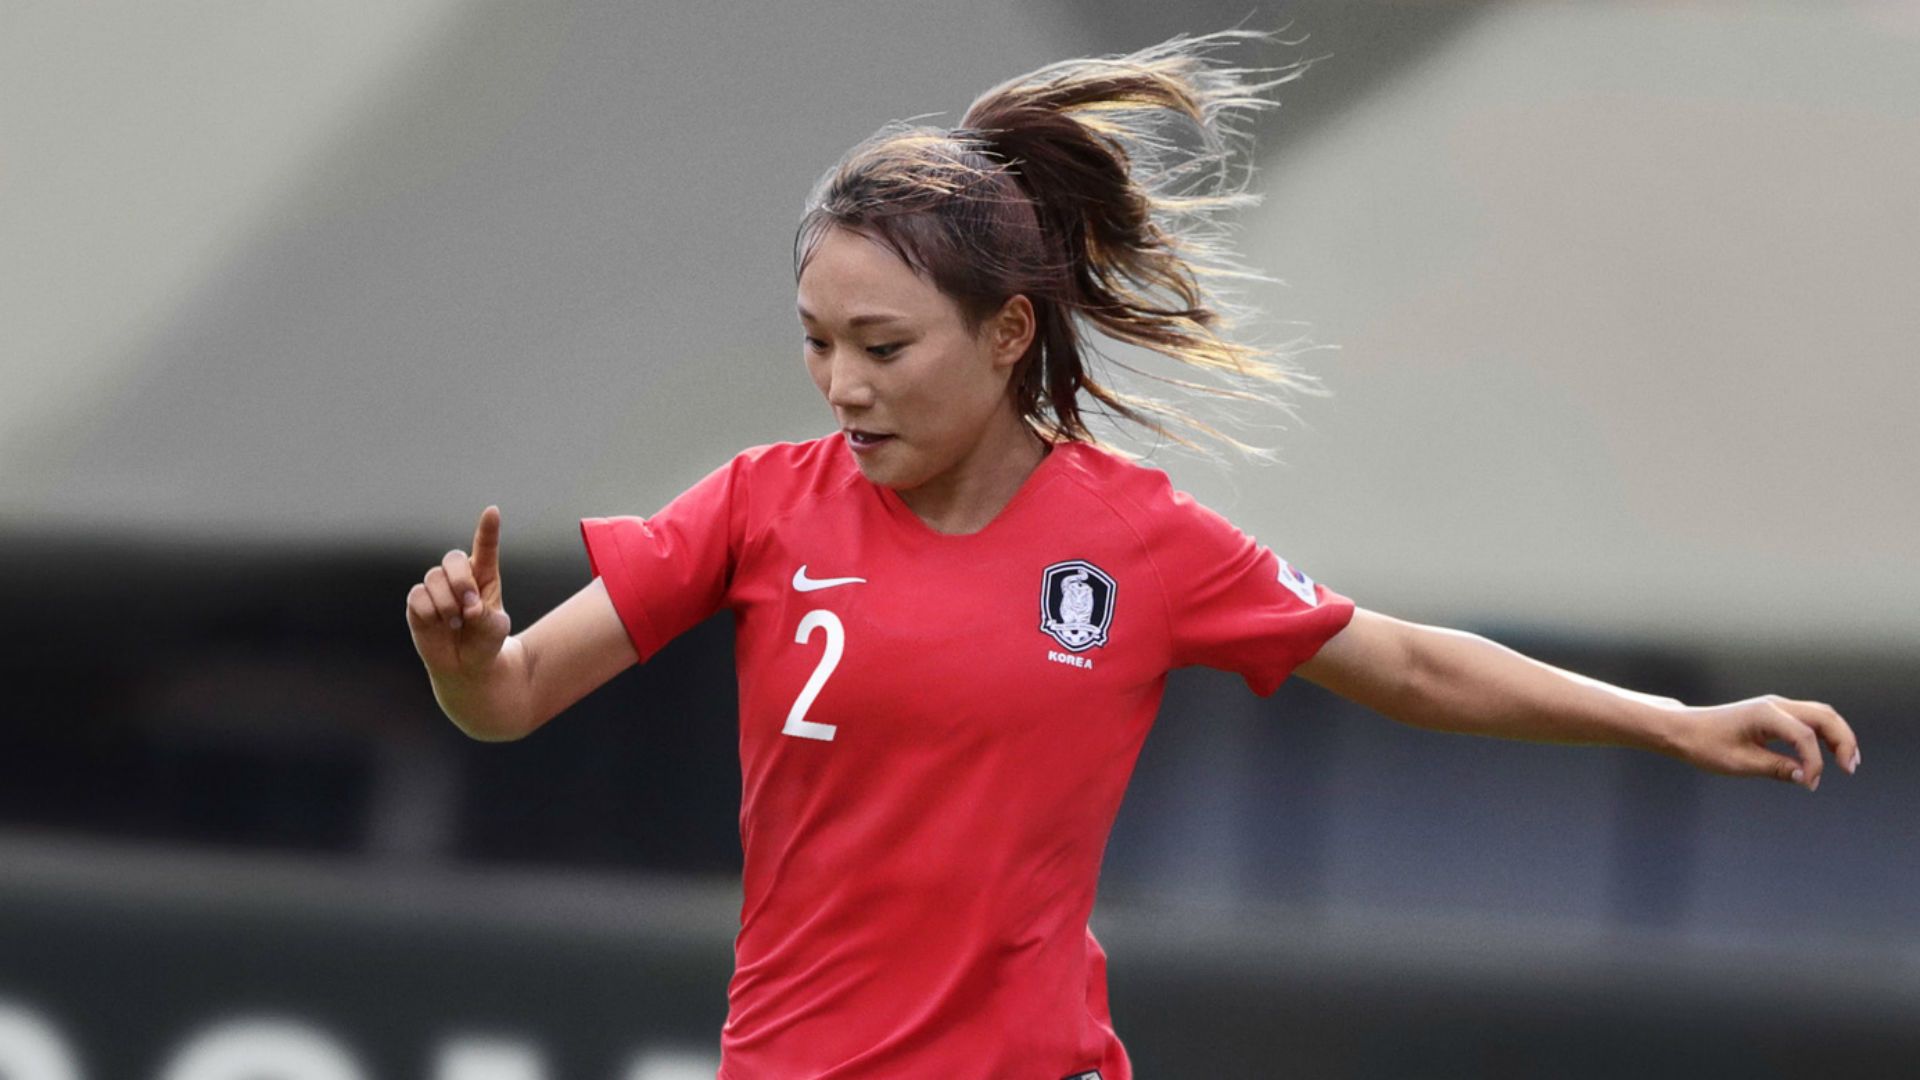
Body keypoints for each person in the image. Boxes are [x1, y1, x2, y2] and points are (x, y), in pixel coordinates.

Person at [404, 28, 1861, 1080]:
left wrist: (1667, 722)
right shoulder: (754, 507)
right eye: (816, 345)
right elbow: (516, 698)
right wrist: (467, 658)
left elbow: (1405, 661)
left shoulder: (1137, 544)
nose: (840, 385)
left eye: (882, 347)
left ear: (1008, 334)